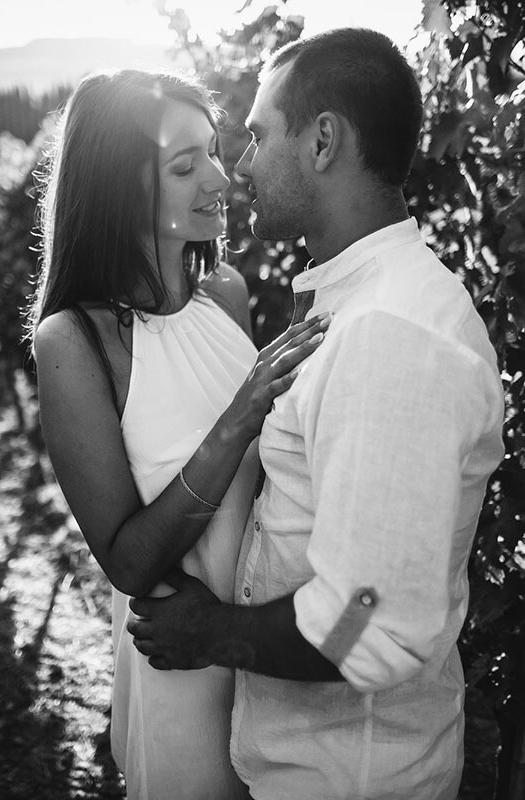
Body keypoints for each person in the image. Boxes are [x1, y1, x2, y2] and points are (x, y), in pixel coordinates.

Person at [128, 28, 505, 800]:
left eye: (260, 135)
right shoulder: (359, 307)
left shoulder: (389, 336)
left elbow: (369, 622)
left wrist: (212, 633)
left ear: (324, 141)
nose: (240, 166)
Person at [26, 69, 329, 799]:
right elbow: (128, 561)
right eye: (186, 166)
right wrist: (238, 417)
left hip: (268, 633)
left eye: (216, 155)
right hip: (184, 660)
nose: (222, 180)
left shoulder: (225, 292)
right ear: (119, 188)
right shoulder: (73, 343)